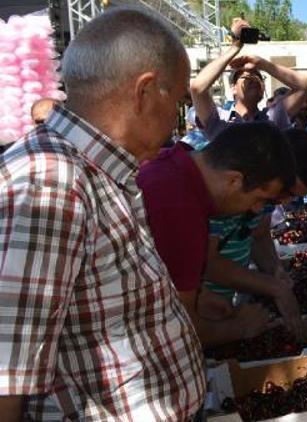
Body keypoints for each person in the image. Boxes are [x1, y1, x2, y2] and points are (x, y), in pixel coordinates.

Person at [0, 7, 206, 420]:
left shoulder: (100, 171)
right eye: (180, 99)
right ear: (145, 92)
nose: (178, 119)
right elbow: (5, 375)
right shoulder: (50, 180)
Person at [138, 122, 297, 347]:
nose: (257, 210)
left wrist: (199, 295)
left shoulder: (174, 164)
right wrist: (241, 326)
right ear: (234, 180)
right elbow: (180, 330)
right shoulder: (181, 208)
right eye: (259, 199)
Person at [201, 128, 307, 333]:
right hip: (200, 308)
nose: (285, 201)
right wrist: (272, 287)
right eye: (287, 191)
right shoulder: (221, 187)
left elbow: (259, 236)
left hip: (226, 305)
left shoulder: (270, 195)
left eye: (294, 198)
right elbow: (206, 262)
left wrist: (274, 269)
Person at [190, 17, 307, 138]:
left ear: (263, 88)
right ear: (233, 88)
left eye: (257, 76)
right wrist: (236, 47)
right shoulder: (219, 120)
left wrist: (262, 63)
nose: (252, 77)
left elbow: (303, 85)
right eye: (246, 77)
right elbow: (197, 88)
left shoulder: (273, 119)